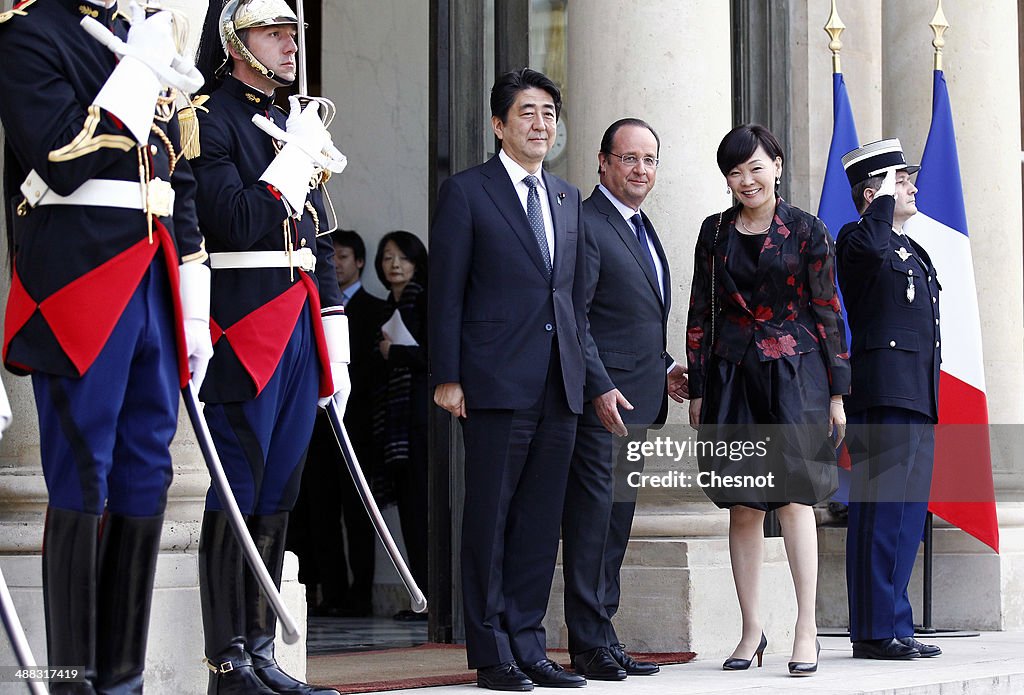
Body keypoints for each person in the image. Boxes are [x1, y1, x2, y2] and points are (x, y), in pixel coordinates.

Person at [0, 2, 211, 691]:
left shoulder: (134, 34)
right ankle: (71, 680)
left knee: (146, 473)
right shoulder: (30, 32)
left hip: (150, 277)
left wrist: (194, 298)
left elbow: (173, 179)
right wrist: (137, 73)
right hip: (78, 285)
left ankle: (121, 679)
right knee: (81, 477)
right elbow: (59, 155)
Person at [190, 1, 350, 693]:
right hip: (240, 319)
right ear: (236, 41)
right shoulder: (209, 115)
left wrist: (336, 328)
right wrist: (291, 161)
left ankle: (260, 647)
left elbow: (313, 235)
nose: (288, 44)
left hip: (296, 317)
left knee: (278, 490)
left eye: (291, 33)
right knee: (236, 486)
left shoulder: (294, 119)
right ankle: (227, 659)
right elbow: (231, 218)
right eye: (272, 33)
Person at [429, 67, 588, 691]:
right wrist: (449, 375)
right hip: (493, 382)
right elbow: (445, 293)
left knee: (539, 522)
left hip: (559, 385)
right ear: (499, 124)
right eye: (527, 112)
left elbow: (569, 299)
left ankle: (529, 645)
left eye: (548, 112)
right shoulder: (467, 192)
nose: (540, 124)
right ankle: (493, 654)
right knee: (490, 519)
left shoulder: (567, 198)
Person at [686, 124, 849, 676]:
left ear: (776, 165)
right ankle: (751, 627)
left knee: (796, 500)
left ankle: (806, 627)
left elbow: (828, 311)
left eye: (755, 167)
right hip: (733, 376)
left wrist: (837, 393)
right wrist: (702, 388)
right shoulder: (713, 233)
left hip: (796, 375)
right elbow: (699, 316)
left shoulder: (808, 230)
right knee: (742, 506)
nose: (746, 180)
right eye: (734, 172)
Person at [564, 118, 687, 681]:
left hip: (636, 401)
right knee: (592, 524)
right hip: (602, 407)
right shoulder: (588, 223)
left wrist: (661, 368)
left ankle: (604, 634)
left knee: (615, 525)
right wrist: (599, 385)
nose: (641, 169)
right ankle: (588, 643)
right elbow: (579, 318)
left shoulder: (640, 225)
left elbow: (632, 319)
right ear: (603, 162)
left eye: (650, 160)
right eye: (630, 158)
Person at [837, 139, 943, 660]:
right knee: (880, 513)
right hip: (881, 393)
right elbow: (868, 258)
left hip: (916, 395)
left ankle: (895, 622)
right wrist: (880, 198)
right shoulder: (859, 237)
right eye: (903, 180)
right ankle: (874, 631)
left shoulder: (913, 250)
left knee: (905, 515)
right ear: (874, 192)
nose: (914, 187)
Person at [290, 231, 384, 618]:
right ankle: (330, 592)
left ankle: (360, 595)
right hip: (316, 424)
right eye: (332, 258)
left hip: (358, 424)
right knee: (319, 511)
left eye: (342, 257)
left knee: (359, 511)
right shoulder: (311, 306)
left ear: (359, 261)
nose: (336, 265)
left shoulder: (376, 309)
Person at [374, 230, 429, 621]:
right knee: (409, 513)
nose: (395, 265)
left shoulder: (424, 300)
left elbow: (435, 356)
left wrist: (397, 352)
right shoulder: (382, 308)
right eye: (388, 257)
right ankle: (419, 595)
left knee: (425, 511)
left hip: (422, 422)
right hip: (394, 427)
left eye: (403, 258)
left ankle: (434, 597)